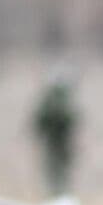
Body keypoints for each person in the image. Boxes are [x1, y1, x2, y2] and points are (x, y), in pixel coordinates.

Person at [31, 66, 79, 197]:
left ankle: (60, 196)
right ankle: (56, 196)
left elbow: (72, 121)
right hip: (53, 144)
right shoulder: (50, 102)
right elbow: (40, 122)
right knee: (54, 173)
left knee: (60, 173)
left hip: (61, 144)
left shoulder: (60, 102)